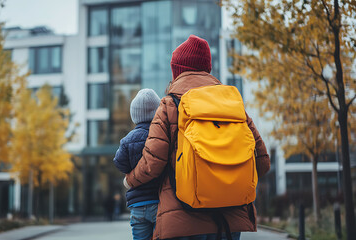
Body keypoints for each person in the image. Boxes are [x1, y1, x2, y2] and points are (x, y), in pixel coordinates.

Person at [123, 35, 271, 240]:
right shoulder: (234, 107)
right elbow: (262, 164)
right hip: (229, 218)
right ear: (207, 68)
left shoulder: (169, 105)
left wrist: (130, 180)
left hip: (185, 217)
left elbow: (152, 163)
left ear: (177, 71)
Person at [113, 89, 162, 240]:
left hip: (138, 205)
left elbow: (120, 163)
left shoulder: (127, 140)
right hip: (158, 201)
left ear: (135, 115)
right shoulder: (162, 136)